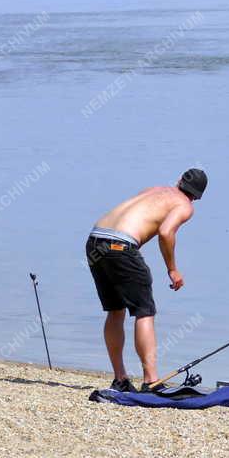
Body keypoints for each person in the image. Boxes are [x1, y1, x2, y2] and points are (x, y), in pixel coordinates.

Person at [85, 168, 207, 392]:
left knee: (116, 310)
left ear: (179, 180)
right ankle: (151, 381)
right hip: (120, 246)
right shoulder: (185, 206)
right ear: (197, 197)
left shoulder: (155, 189)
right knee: (144, 311)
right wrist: (172, 269)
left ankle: (120, 379)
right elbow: (166, 232)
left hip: (96, 240)